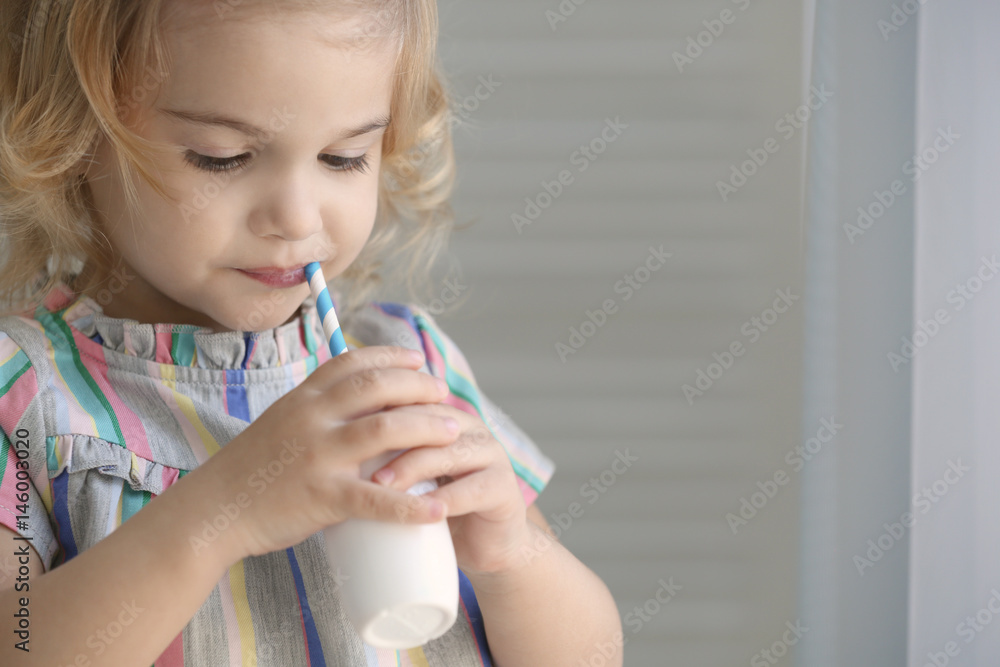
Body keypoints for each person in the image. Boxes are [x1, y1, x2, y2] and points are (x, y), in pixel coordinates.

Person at [0, 0, 623, 665]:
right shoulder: (27, 396)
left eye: (343, 156)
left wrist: (511, 556)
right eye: (223, 157)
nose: (297, 219)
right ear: (71, 131)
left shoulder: (412, 366)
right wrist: (226, 508)